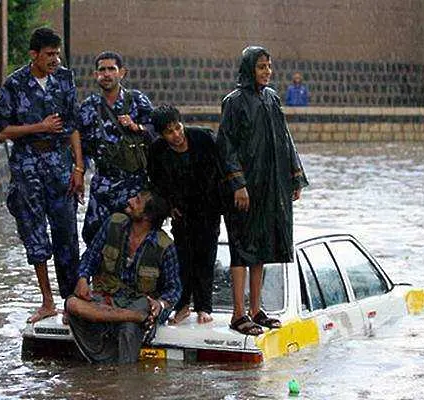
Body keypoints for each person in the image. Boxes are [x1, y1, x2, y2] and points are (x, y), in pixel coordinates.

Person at [0, 27, 84, 324]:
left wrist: (79, 168)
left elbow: (73, 124)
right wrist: (37, 127)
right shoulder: (14, 84)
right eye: (49, 54)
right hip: (27, 164)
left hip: (59, 163)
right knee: (34, 232)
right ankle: (46, 301)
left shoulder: (64, 78)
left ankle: (71, 302)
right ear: (34, 55)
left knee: (66, 232)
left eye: (57, 53)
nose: (55, 59)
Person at [217, 46, 309, 336]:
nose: (266, 72)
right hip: (244, 189)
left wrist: (294, 178)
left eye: (269, 66)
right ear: (249, 69)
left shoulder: (271, 98)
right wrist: (238, 184)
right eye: (261, 67)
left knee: (260, 249)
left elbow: (284, 138)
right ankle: (237, 314)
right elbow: (226, 145)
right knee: (241, 249)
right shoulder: (234, 102)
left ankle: (256, 310)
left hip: (269, 187)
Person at [66, 190, 181, 363]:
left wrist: (160, 304)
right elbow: (91, 256)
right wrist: (83, 278)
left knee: (129, 328)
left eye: (137, 200)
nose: (130, 200)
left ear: (148, 216)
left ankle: (124, 375)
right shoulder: (113, 224)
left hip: (140, 302)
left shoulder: (165, 246)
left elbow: (174, 289)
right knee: (72, 304)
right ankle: (134, 318)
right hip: (110, 299)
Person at [148, 104, 223, 325]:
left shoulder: (204, 138)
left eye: (178, 128)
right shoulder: (158, 150)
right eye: (169, 132)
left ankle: (204, 306)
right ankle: (182, 306)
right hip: (181, 210)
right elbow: (156, 181)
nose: (176, 135)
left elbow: (224, 165)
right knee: (184, 257)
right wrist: (169, 205)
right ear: (162, 134)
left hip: (208, 206)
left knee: (206, 255)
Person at [78, 51, 154, 245]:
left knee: (135, 238)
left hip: (134, 186)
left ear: (122, 73)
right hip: (103, 184)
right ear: (96, 75)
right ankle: (99, 276)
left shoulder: (137, 101)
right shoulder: (89, 107)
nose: (106, 74)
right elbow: (80, 145)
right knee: (95, 237)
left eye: (112, 69)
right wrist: (78, 171)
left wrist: (137, 127)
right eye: (102, 70)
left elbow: (158, 133)